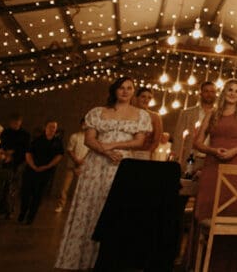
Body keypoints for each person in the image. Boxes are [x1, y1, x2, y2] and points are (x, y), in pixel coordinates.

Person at [55, 76, 152, 269]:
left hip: (123, 164)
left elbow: (139, 141)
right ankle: (80, 259)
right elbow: (89, 140)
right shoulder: (98, 112)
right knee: (90, 205)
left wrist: (114, 145)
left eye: (129, 88)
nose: (125, 91)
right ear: (114, 91)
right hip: (97, 163)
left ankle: (109, 259)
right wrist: (105, 151)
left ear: (133, 91)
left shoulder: (141, 115)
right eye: (121, 88)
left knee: (114, 208)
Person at [192, 79, 237, 220]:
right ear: (224, 92)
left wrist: (235, 151)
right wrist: (213, 151)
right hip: (212, 165)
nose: (233, 94)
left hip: (235, 166)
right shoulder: (212, 114)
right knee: (207, 208)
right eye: (230, 90)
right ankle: (204, 241)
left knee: (230, 208)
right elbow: (197, 142)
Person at [19, 120, 64, 224]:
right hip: (31, 170)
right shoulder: (37, 139)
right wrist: (33, 166)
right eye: (50, 127)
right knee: (26, 193)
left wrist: (47, 166)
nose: (52, 129)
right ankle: (22, 212)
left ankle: (30, 217)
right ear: (45, 127)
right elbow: (28, 153)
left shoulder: (57, 142)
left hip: (45, 172)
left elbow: (59, 155)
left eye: (54, 127)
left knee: (37, 195)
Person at [173, 81, 218, 171]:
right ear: (200, 93)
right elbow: (178, 137)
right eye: (206, 91)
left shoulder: (220, 114)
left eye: (212, 92)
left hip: (213, 158)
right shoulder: (187, 113)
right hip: (191, 156)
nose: (209, 94)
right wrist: (176, 159)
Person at [0, 113, 30, 218]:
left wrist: (13, 153)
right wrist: (4, 153)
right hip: (5, 163)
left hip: (18, 164)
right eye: (14, 123)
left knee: (12, 188)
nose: (15, 124)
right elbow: (2, 145)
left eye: (17, 123)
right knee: (3, 187)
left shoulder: (24, 135)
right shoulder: (6, 133)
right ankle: (3, 209)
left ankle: (9, 210)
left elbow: (25, 150)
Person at [56, 118, 88, 213]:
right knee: (65, 188)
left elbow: (90, 151)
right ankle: (60, 206)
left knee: (81, 188)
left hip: (83, 167)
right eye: (84, 123)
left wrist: (82, 161)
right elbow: (69, 150)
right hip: (71, 166)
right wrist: (76, 160)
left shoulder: (90, 138)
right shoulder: (74, 136)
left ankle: (77, 208)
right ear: (81, 124)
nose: (85, 125)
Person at [132, 87, 163, 160]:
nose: (146, 100)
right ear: (136, 98)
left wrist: (146, 154)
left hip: (144, 154)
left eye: (149, 98)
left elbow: (156, 140)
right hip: (126, 151)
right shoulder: (130, 113)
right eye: (143, 97)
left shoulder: (155, 117)